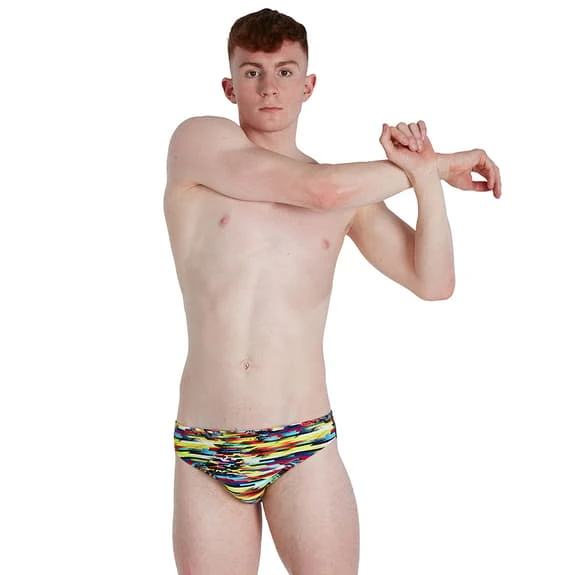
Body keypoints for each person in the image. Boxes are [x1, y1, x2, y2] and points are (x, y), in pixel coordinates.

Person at [163, 8, 501, 575]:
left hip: (303, 443)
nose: (269, 87)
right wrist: (437, 165)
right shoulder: (198, 143)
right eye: (252, 72)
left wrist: (427, 182)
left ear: (309, 85)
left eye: (285, 72)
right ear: (229, 86)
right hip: (208, 441)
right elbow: (318, 191)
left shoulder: (349, 194)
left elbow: (434, 282)